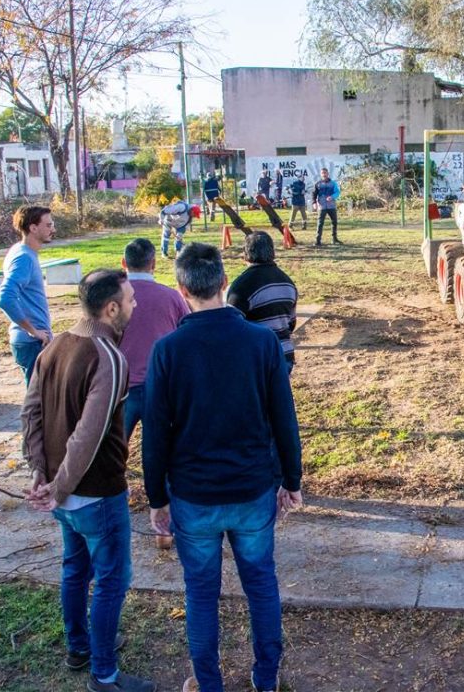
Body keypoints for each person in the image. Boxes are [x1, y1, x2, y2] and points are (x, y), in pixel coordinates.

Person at [142, 243, 302, 692]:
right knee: (261, 584)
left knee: (201, 593)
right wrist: (292, 480)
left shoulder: (167, 350)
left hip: (194, 497)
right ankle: (266, 679)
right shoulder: (261, 342)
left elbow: (155, 433)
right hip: (252, 489)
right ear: (225, 283)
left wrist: (157, 498)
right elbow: (283, 418)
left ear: (181, 289)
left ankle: (209, 683)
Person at [21, 269, 156, 692]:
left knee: (75, 569)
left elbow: (31, 414)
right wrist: (55, 486)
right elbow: (90, 435)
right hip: (96, 494)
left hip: (63, 495)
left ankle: (80, 646)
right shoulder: (109, 356)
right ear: (111, 307)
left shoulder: (54, 345)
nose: (135, 307)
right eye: (131, 301)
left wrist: (41, 475)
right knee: (112, 580)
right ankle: (104, 674)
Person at [118, 238, 190, 440]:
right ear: (154, 263)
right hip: (160, 385)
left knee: (115, 448)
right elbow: (185, 333)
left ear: (124, 262)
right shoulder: (172, 297)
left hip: (122, 386)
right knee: (161, 447)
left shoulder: (113, 299)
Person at [0, 205, 56, 385]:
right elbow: (5, 297)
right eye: (48, 225)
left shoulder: (21, 251)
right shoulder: (23, 257)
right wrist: (33, 331)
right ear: (33, 228)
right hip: (31, 342)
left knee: (41, 401)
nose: (53, 229)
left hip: (32, 341)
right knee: (37, 404)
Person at [226, 232, 298, 374]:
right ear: (273, 253)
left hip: (256, 358)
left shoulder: (241, 286)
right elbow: (291, 324)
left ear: (245, 255)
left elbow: (231, 327)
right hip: (284, 355)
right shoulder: (288, 283)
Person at [311, 167, 342, 246]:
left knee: (334, 222)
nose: (324, 174)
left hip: (331, 206)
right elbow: (314, 194)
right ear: (321, 174)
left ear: (328, 174)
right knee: (320, 223)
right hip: (322, 206)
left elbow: (337, 192)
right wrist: (314, 203)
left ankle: (334, 239)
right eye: (322, 173)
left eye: (325, 173)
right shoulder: (318, 184)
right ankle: (318, 241)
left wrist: (332, 197)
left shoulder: (333, 183)